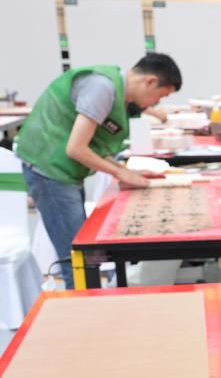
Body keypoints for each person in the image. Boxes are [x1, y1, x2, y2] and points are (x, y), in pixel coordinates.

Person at [15, 53, 181, 288]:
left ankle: (96, 298)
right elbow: (76, 148)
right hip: (50, 171)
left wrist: (125, 171)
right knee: (77, 257)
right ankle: (85, 311)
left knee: (84, 250)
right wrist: (120, 173)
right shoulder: (102, 87)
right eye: (160, 96)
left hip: (63, 172)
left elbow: (94, 146)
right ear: (150, 81)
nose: (155, 104)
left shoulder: (114, 92)